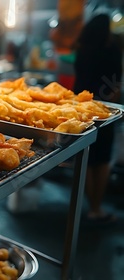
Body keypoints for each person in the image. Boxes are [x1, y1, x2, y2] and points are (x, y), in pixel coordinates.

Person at [73, 14, 122, 224]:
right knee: (101, 160)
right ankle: (96, 208)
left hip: (80, 108)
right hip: (102, 110)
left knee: (85, 157)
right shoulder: (111, 50)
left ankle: (88, 205)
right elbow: (115, 84)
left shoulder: (82, 48)